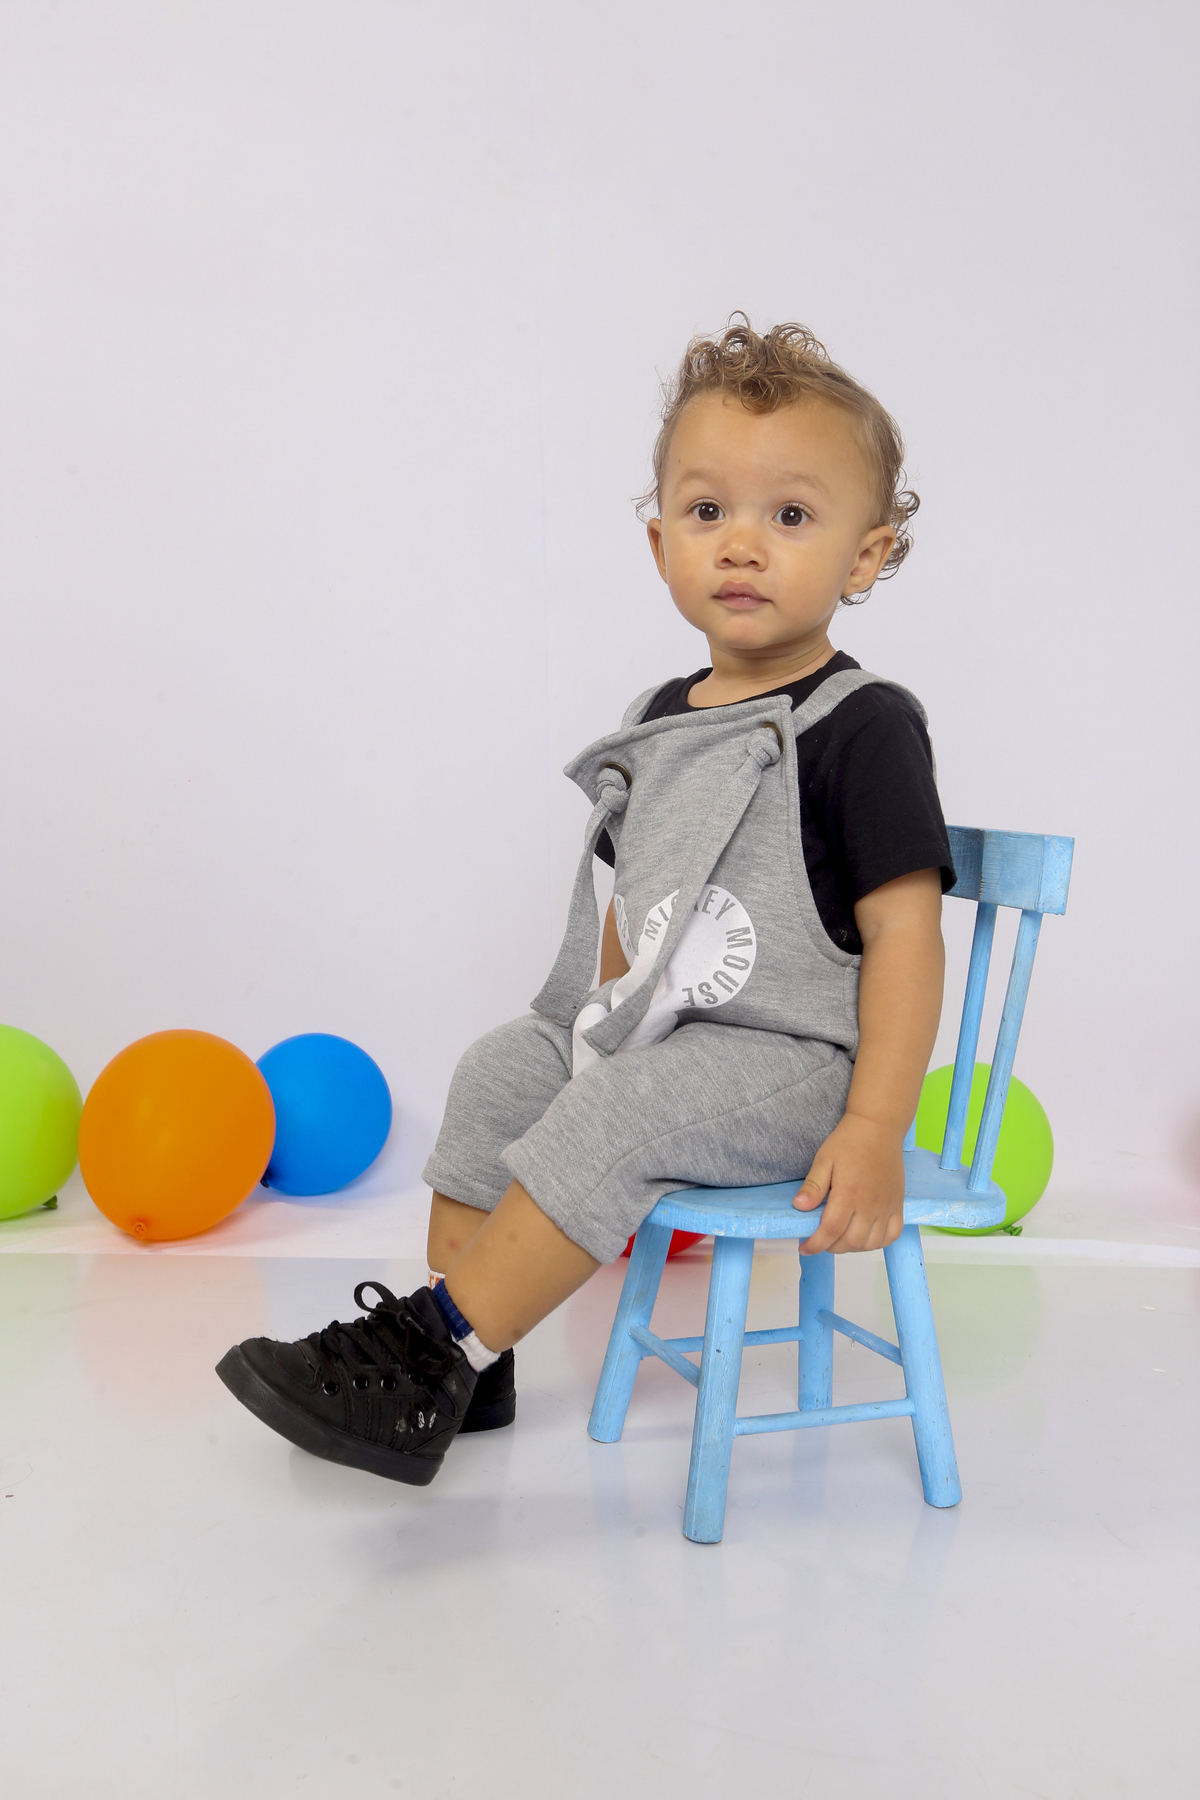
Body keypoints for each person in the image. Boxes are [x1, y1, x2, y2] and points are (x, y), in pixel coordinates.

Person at [216, 319, 954, 1489]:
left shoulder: (865, 727)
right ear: (661, 543)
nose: (742, 543)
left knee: (625, 1105)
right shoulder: (660, 717)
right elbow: (642, 895)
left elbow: (907, 936)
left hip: (798, 1067)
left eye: (790, 515)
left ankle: (424, 1352)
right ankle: (473, 1367)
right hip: (670, 1040)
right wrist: (594, 1031)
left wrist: (872, 1125)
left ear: (865, 559)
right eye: (707, 511)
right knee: (504, 1069)